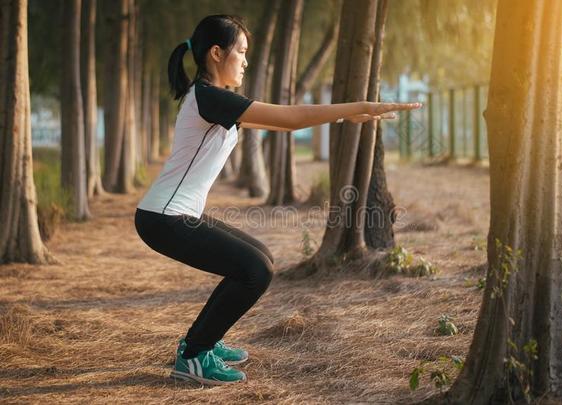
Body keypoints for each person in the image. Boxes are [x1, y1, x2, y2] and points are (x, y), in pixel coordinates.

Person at [133, 14, 422, 386]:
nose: (246, 61)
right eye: (242, 52)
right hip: (164, 218)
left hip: (175, 213)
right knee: (255, 270)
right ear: (217, 53)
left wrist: (342, 119)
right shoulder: (209, 97)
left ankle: (202, 342)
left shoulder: (214, 101)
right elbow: (290, 119)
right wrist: (356, 106)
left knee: (260, 257)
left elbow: (277, 121)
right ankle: (193, 356)